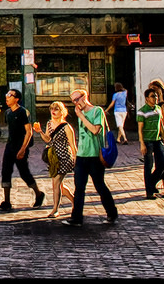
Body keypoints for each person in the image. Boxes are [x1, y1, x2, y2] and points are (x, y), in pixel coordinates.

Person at [63, 89, 118, 226]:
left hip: (94, 155)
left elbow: (95, 130)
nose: (75, 103)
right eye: (73, 101)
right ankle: (76, 217)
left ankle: (112, 212)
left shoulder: (97, 111)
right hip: (82, 155)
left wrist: (81, 116)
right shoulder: (79, 112)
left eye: (77, 99)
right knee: (79, 187)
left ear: (84, 97)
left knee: (99, 185)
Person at [0, 89, 45, 211]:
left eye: (10, 95)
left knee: (24, 173)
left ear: (16, 99)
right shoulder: (7, 113)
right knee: (5, 172)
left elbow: (29, 132)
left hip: (21, 146)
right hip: (10, 146)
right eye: (6, 95)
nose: (7, 97)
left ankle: (38, 194)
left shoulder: (22, 112)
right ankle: (6, 202)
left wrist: (23, 149)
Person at [34, 100, 77, 218]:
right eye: (52, 109)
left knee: (56, 182)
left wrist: (75, 159)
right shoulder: (49, 123)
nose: (53, 111)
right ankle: (75, 203)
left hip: (64, 156)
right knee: (59, 185)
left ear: (62, 111)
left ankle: (55, 209)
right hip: (53, 157)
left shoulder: (67, 127)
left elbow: (73, 145)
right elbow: (48, 139)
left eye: (56, 109)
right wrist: (40, 132)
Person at [137, 87, 164, 199]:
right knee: (149, 165)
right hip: (147, 141)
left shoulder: (158, 109)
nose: (155, 98)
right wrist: (142, 143)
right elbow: (140, 129)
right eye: (153, 96)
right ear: (147, 98)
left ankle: (151, 183)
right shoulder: (142, 111)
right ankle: (149, 192)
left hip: (157, 140)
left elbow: (160, 124)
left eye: (156, 96)